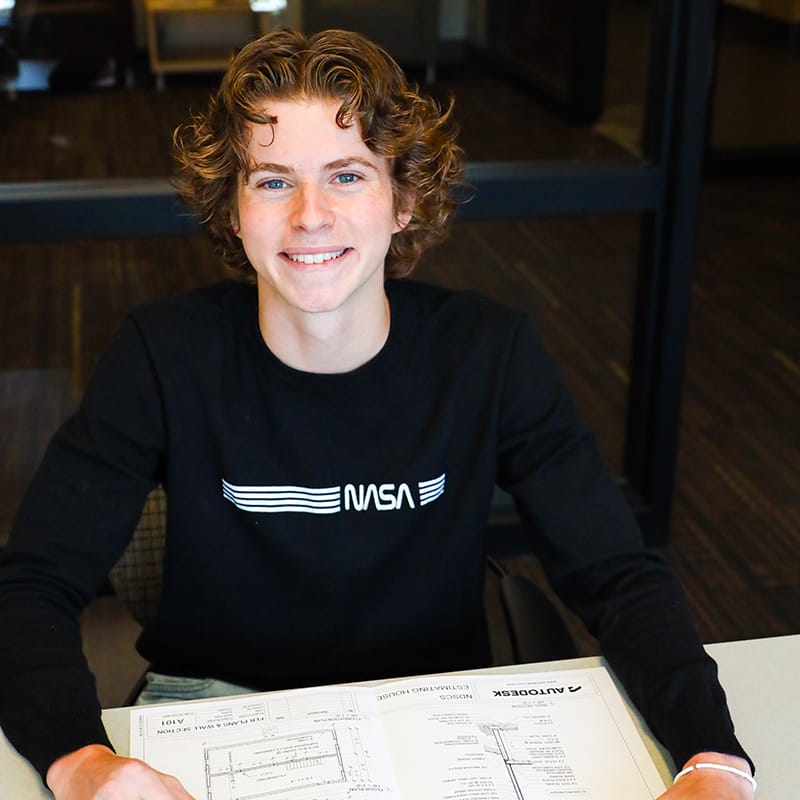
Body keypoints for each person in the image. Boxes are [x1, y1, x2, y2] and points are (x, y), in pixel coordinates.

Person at [0, 27, 754, 800]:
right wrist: (81, 761)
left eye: (348, 175)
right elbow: (31, 585)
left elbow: (619, 577)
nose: (311, 215)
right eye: (271, 182)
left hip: (435, 725)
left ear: (404, 200)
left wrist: (713, 759)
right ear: (231, 209)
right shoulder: (162, 355)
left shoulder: (487, 353)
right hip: (217, 725)